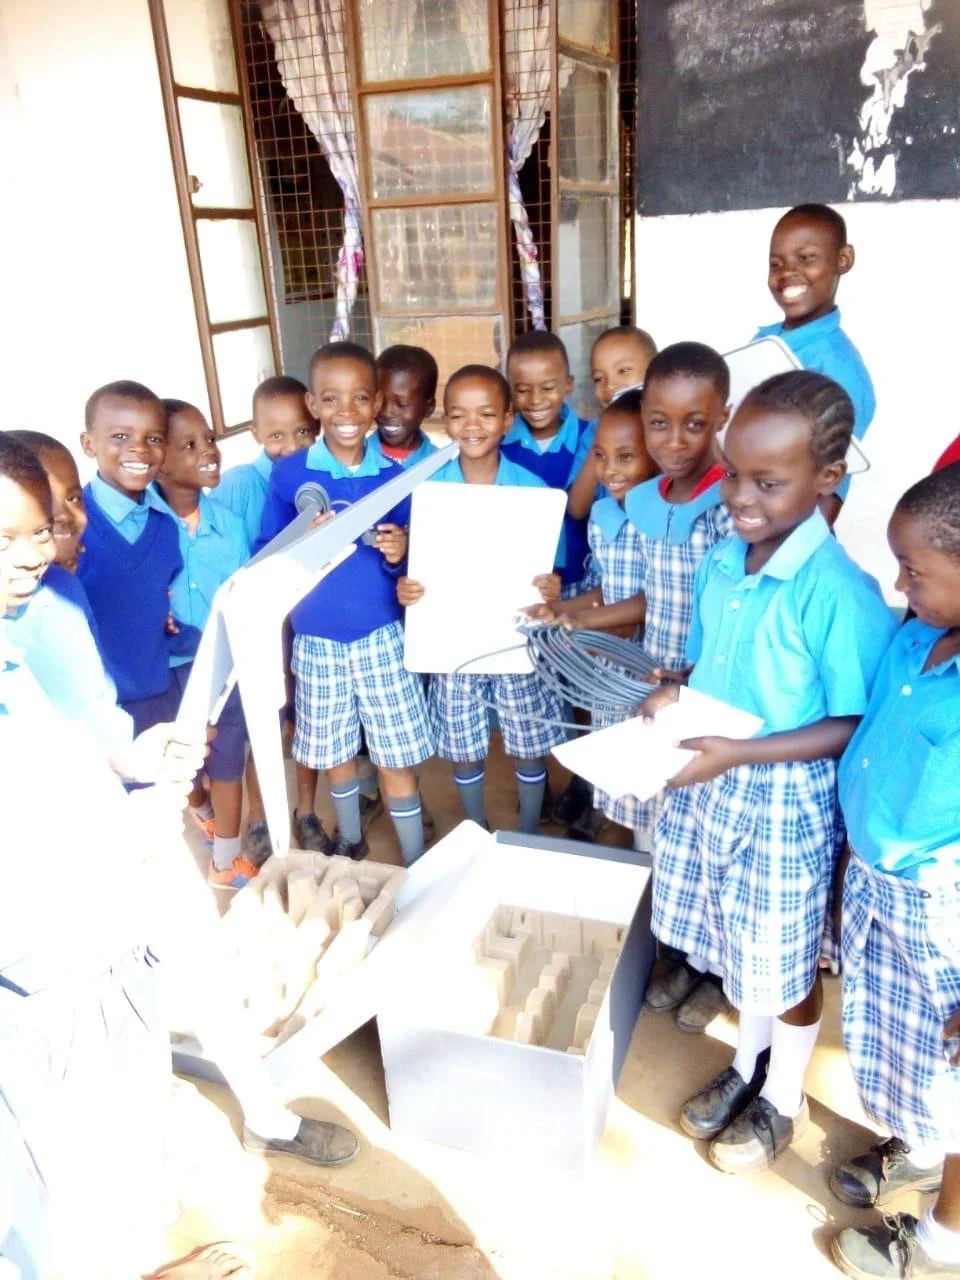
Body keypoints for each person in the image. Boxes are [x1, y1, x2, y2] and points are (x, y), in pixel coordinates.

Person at [640, 371, 896, 1174]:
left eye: (768, 482)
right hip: (716, 776)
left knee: (783, 963)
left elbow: (852, 724)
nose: (741, 498)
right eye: (734, 474)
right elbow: (712, 665)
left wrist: (740, 752)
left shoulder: (838, 592)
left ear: (827, 478)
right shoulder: (722, 561)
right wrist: (676, 689)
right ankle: (749, 1064)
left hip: (783, 796)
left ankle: (782, 1098)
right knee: (740, 944)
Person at [829, 464, 960, 1279]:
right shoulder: (915, 639)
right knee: (907, 1046)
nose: (899, 585)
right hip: (881, 889)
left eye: (915, 571)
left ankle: (943, 1241)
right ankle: (920, 1145)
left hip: (945, 910)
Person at [256, 341, 432, 867]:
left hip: (382, 636)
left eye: (360, 398)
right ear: (313, 404)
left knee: (396, 757)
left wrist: (402, 552)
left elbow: (417, 562)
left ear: (376, 402)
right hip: (316, 639)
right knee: (335, 755)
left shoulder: (394, 477)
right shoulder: (289, 474)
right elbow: (266, 552)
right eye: (331, 399)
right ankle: (351, 841)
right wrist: (299, 539)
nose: (346, 412)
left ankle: (416, 859)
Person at [398, 364, 565, 834]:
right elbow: (415, 563)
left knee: (528, 742)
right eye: (459, 415)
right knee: (464, 746)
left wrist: (551, 587)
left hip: (515, 639)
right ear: (445, 420)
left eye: (487, 414)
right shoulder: (429, 490)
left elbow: (550, 570)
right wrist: (406, 586)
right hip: (454, 640)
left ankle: (528, 833)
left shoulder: (533, 490)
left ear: (508, 419)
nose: (472, 425)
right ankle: (475, 827)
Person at [153, 400, 255, 888]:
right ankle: (202, 809)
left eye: (210, 439)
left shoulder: (230, 525)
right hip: (164, 669)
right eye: (190, 445)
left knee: (229, 757)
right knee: (185, 763)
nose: (209, 451)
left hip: (223, 664)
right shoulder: (146, 528)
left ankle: (226, 859)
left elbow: (245, 592)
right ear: (160, 461)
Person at [76, 380, 198, 734]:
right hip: (97, 709)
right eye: (120, 436)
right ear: (89, 444)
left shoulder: (164, 527)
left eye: (154, 439)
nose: (140, 450)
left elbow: (154, 604)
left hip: (159, 695)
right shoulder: (72, 527)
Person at [0, 435, 131, 757]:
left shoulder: (64, 591)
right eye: (3, 541)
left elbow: (97, 702)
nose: (31, 557)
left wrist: (127, 761)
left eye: (41, 532)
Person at [754, 203, 875, 523]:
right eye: (776, 263)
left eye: (806, 258)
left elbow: (832, 485)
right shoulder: (764, 343)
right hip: (743, 516)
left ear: (843, 259)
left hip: (784, 531)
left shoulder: (840, 371)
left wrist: (790, 548)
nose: (787, 273)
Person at [212, 375, 318, 549]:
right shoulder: (236, 485)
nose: (292, 447)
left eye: (303, 431)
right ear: (256, 434)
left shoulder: (325, 477)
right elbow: (217, 556)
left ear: (317, 427)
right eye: (277, 436)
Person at [371, 343, 438, 466]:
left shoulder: (440, 466)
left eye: (401, 404)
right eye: (380, 401)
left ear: (429, 408)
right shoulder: (354, 456)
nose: (387, 413)